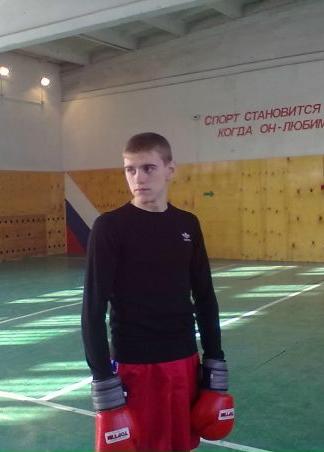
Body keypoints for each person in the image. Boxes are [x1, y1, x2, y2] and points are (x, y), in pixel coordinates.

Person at [81, 132, 231, 452]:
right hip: (135, 365)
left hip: (184, 360)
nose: (138, 178)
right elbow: (92, 309)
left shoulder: (188, 225)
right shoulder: (110, 227)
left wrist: (214, 361)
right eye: (130, 169)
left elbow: (205, 297)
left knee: (180, 446)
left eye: (148, 168)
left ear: (170, 170)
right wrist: (103, 379)